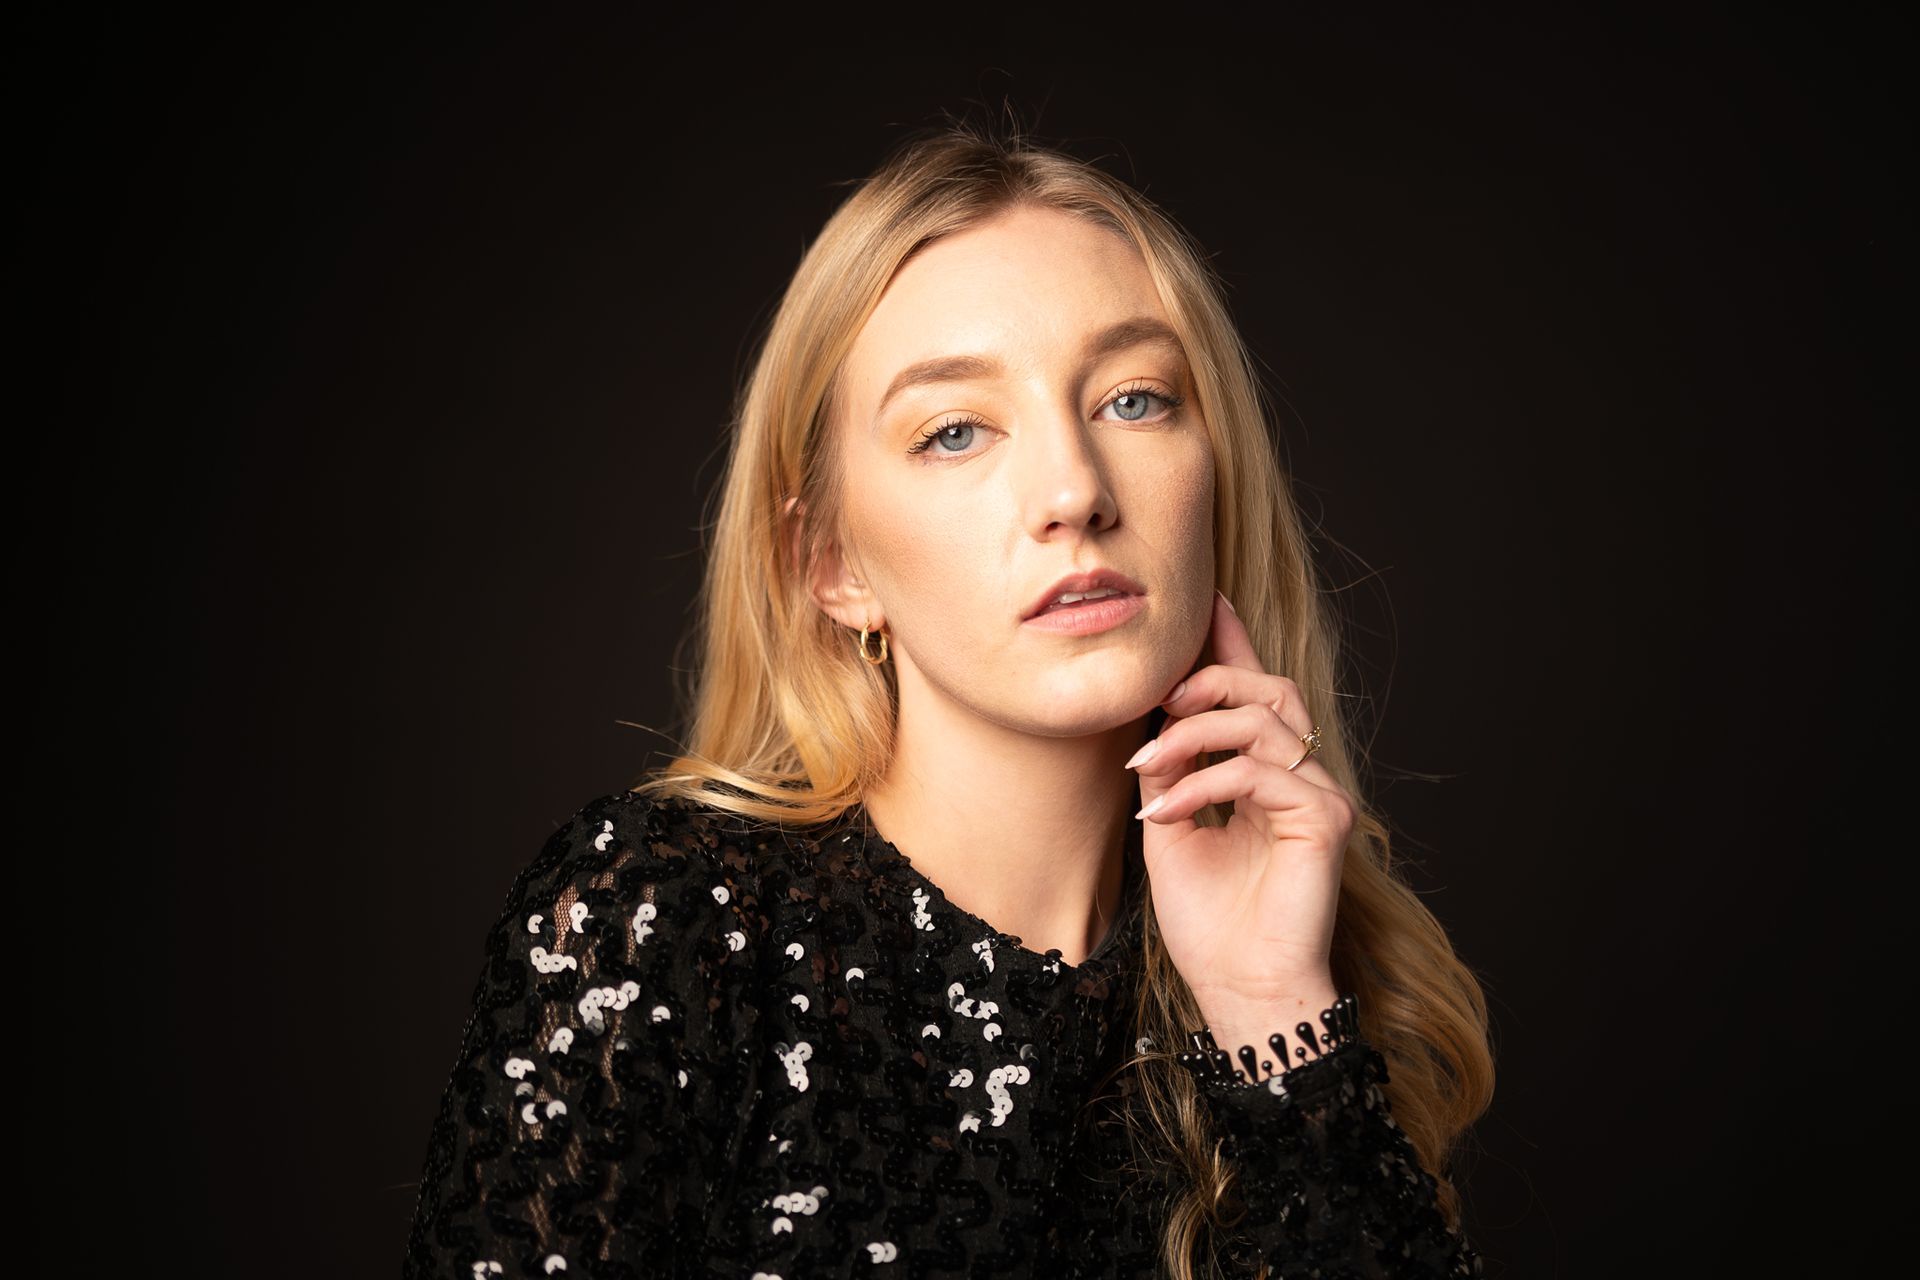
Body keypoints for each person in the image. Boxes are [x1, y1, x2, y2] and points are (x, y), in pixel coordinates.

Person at [402, 119, 1495, 1279]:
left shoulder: (1310, 996)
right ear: (832, 564)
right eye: (955, 431)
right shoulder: (669, 929)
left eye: (1134, 399)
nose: (1074, 489)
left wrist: (1271, 1007)